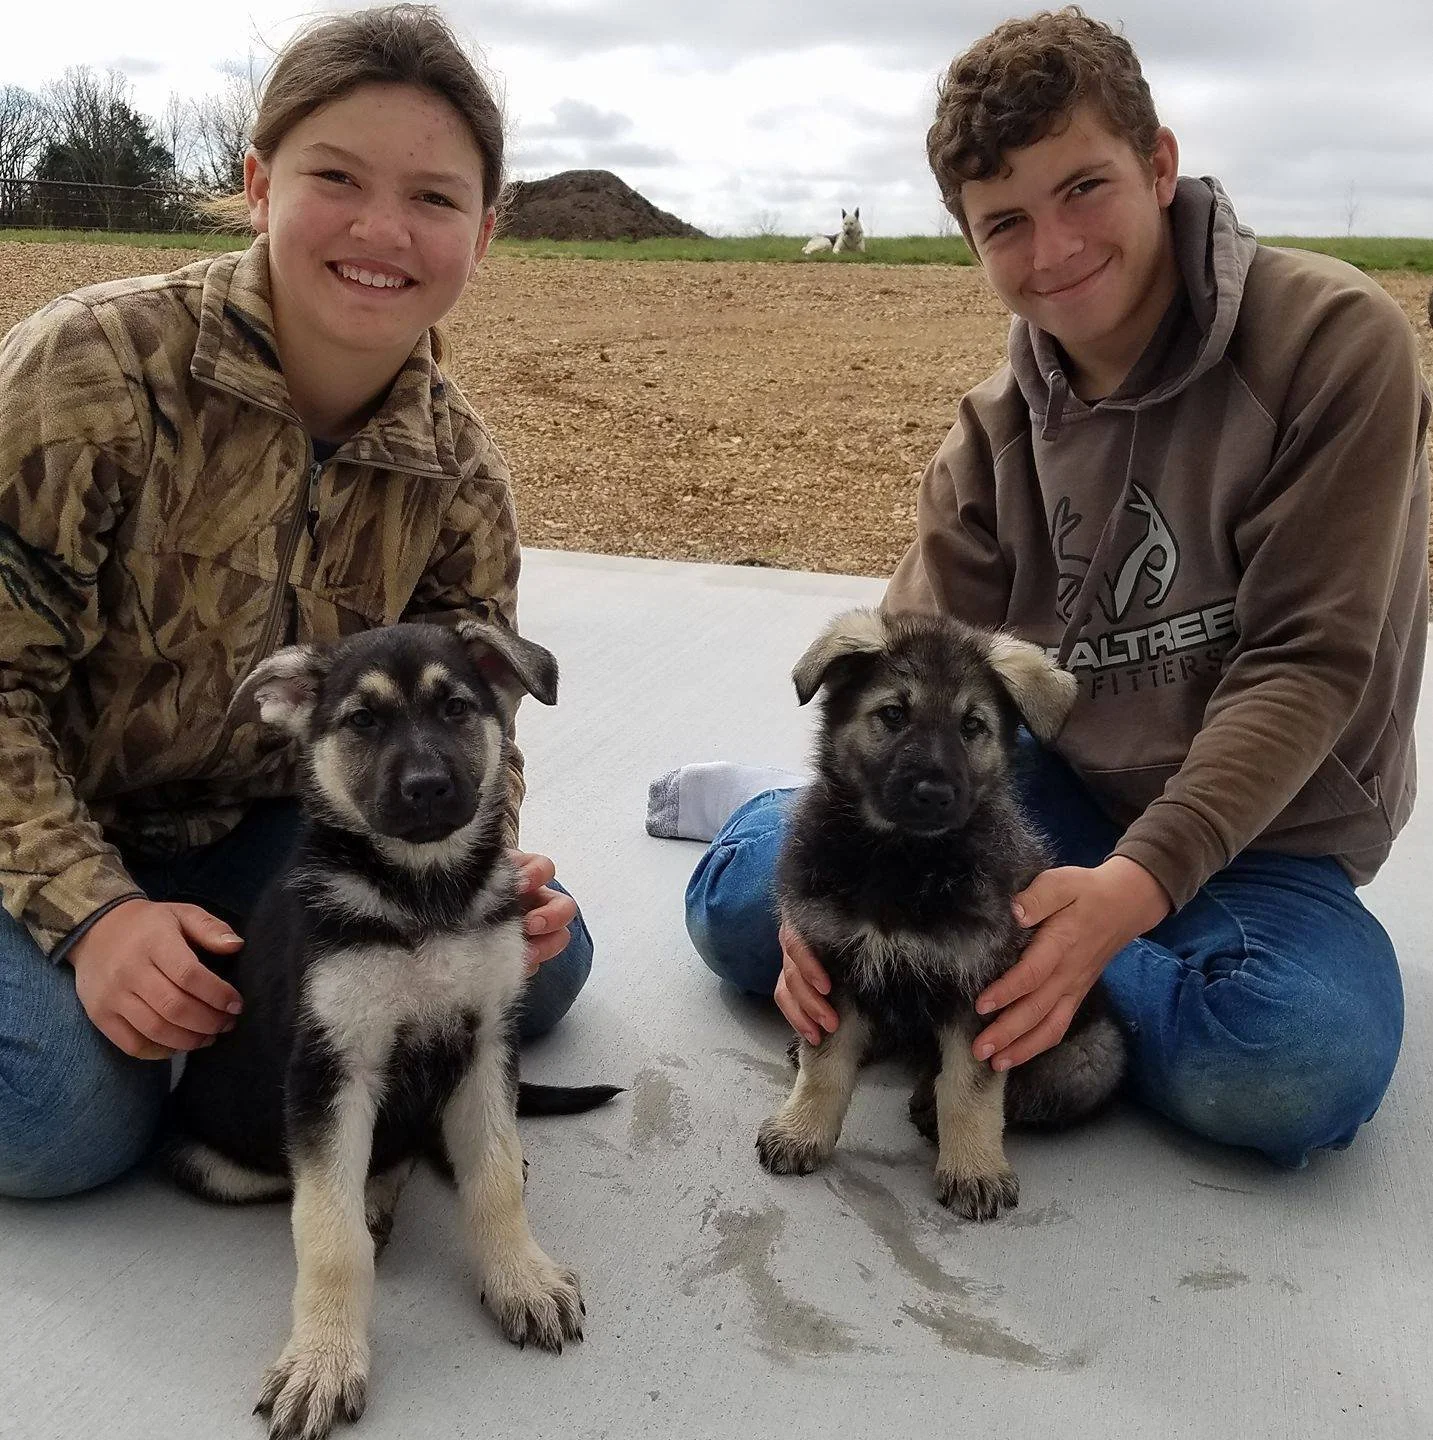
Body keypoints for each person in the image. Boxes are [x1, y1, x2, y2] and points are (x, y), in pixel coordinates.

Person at [655, 6, 1431, 1169]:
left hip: (1261, 836)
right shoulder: (988, 433)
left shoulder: (1332, 344)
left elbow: (1303, 664)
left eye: (1083, 189)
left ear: (1158, 164)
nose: (1052, 247)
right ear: (970, 240)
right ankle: (950, 945)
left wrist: (1126, 895)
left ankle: (1004, 979)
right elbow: (909, 664)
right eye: (1003, 221)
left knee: (1286, 1062)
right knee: (741, 913)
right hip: (1032, 798)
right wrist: (822, 908)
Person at [0, 4, 592, 1200]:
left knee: (543, 961)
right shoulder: (93, 370)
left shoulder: (457, 467)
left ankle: (238, 1012)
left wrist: (489, 866)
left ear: (481, 232)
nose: (383, 229)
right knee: (64, 1119)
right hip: (37, 825)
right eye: (338, 177)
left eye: (432, 198)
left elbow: (477, 719)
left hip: (261, 827)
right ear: (261, 181)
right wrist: (97, 918)